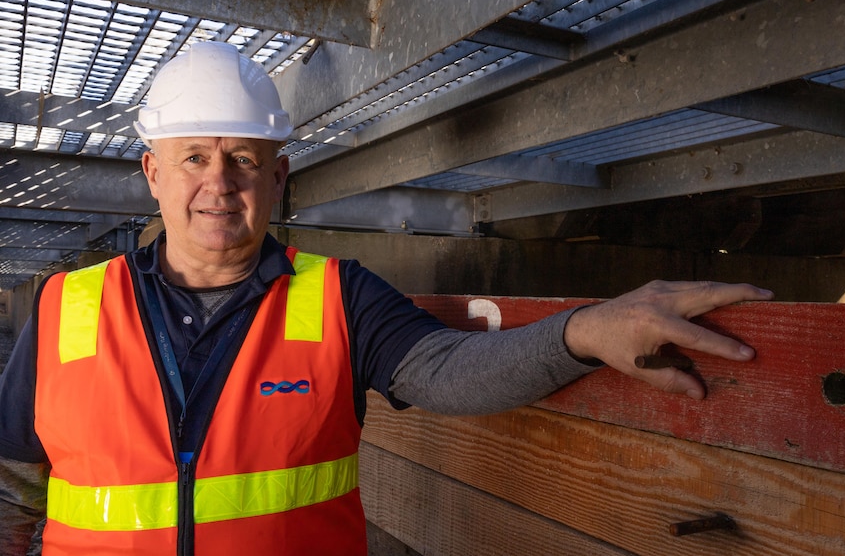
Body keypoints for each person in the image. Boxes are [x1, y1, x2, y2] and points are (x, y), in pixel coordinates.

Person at [0, 41, 773, 555]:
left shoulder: (339, 296)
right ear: (153, 173)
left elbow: (451, 368)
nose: (219, 181)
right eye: (194, 156)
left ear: (278, 177)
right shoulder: (67, 304)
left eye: (243, 158)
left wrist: (582, 331)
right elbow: (15, 476)